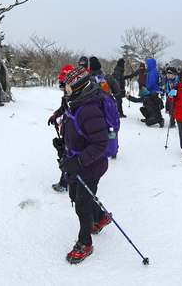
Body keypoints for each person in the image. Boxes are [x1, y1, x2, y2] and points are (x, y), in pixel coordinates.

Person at [57, 66, 111, 264]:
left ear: (79, 86)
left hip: (90, 166)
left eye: (69, 87)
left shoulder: (89, 108)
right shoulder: (76, 102)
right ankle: (101, 217)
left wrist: (78, 160)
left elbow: (101, 144)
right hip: (78, 163)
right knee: (74, 195)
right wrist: (63, 145)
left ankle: (85, 243)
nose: (65, 90)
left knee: (81, 205)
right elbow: (76, 130)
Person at [48, 64, 75, 192]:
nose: (62, 84)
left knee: (67, 153)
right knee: (62, 149)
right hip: (66, 127)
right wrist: (55, 115)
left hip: (73, 131)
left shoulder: (76, 95)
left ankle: (66, 181)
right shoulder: (67, 93)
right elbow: (63, 108)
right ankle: (67, 178)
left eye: (64, 81)